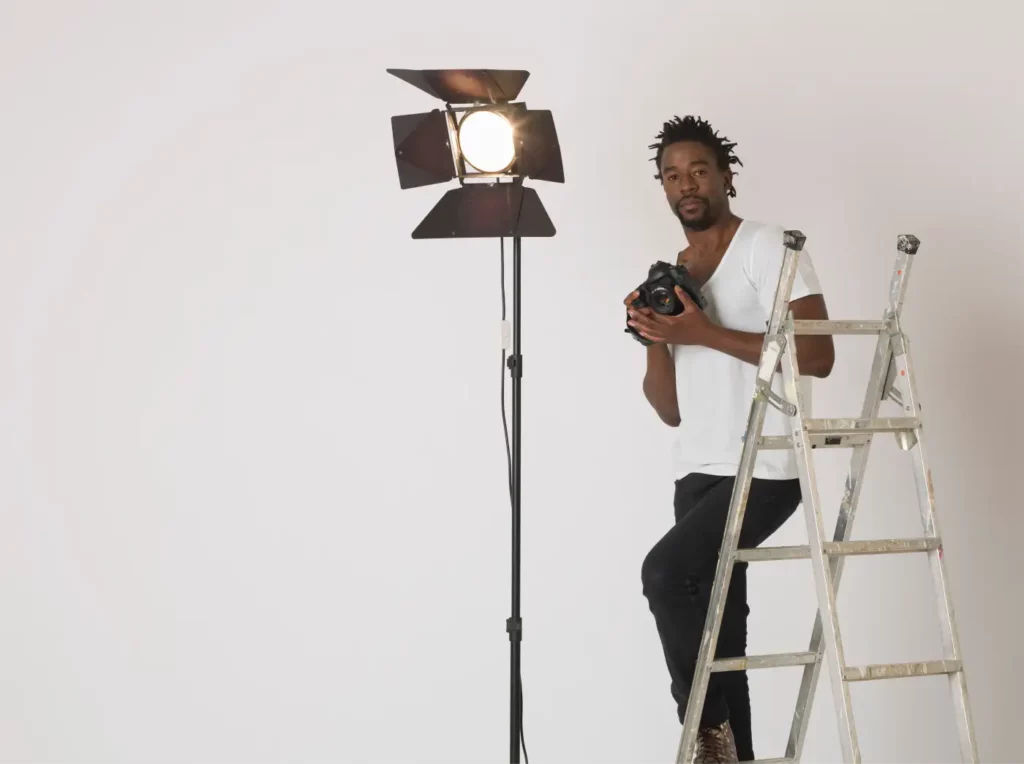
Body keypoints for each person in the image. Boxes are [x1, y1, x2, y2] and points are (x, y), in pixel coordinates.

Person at [625, 116, 835, 763]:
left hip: (766, 466)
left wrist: (703, 333)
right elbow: (668, 410)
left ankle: (707, 736)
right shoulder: (675, 275)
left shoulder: (766, 246)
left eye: (698, 170)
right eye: (672, 175)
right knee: (723, 642)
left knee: (664, 573)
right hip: (697, 469)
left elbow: (819, 354)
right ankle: (730, 750)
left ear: (724, 176)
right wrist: (656, 337)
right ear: (662, 188)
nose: (686, 184)